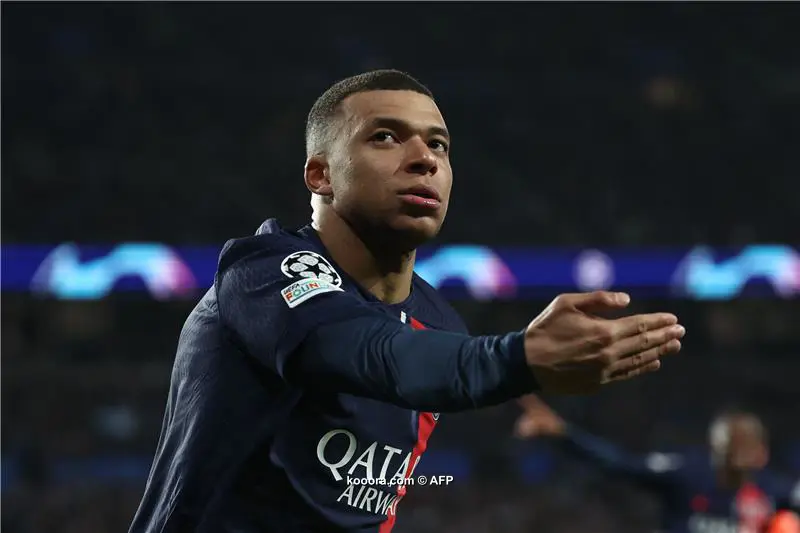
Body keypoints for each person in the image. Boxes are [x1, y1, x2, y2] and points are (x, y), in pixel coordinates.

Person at [129, 69, 686, 533]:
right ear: (320, 175)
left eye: (438, 144)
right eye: (385, 137)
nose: (424, 159)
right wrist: (519, 358)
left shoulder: (439, 322)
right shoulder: (264, 271)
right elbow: (372, 353)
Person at [514, 394, 800, 533]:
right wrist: (564, 433)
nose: (734, 451)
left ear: (761, 453)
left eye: (743, 443)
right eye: (729, 442)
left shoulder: (777, 492)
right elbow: (619, 464)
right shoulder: (686, 473)